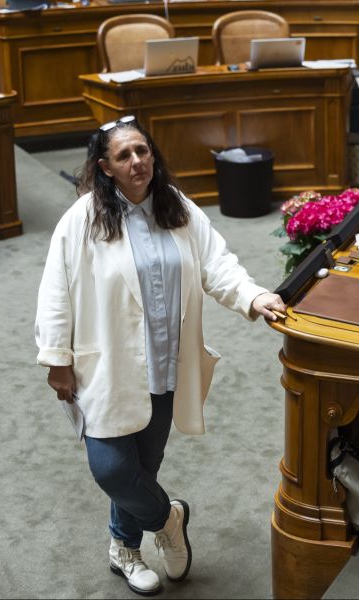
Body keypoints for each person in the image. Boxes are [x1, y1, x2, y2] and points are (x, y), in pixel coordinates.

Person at [35, 116, 287, 596]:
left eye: (143, 151)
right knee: (110, 467)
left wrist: (253, 296)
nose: (138, 162)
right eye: (124, 156)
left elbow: (217, 264)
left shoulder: (178, 207)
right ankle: (169, 519)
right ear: (105, 168)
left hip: (166, 365)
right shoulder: (82, 219)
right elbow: (55, 292)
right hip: (106, 367)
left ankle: (124, 549)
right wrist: (56, 359)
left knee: (141, 469)